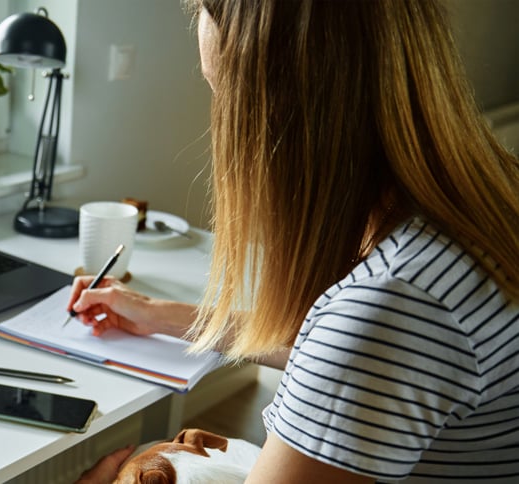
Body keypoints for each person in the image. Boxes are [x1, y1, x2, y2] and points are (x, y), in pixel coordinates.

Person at [71, 0, 519, 482]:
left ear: (285, 110)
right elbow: (341, 355)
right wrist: (161, 316)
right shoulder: (470, 213)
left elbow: (362, 342)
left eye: (222, 92)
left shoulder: (394, 302)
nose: (221, 122)